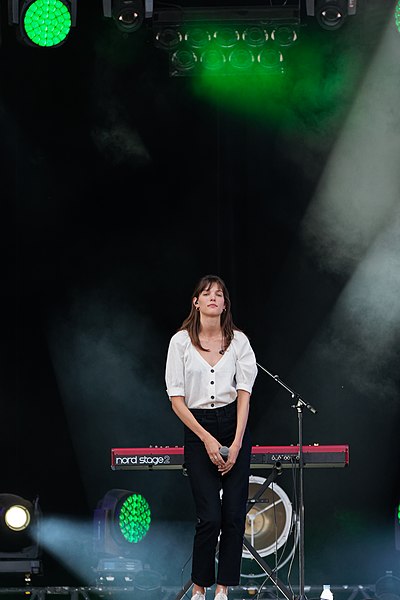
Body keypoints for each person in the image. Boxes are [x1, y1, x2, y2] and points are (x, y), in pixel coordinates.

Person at [165, 274, 258, 600]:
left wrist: (235, 444)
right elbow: (177, 399)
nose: (213, 298)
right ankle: (200, 587)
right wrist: (205, 438)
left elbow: (244, 394)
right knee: (209, 517)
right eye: (207, 294)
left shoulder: (240, 342)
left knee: (234, 516)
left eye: (219, 294)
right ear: (196, 302)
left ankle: (222, 589)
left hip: (234, 424)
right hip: (197, 425)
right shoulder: (180, 342)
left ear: (225, 303)